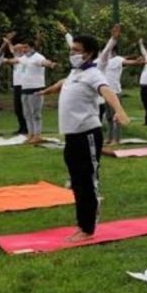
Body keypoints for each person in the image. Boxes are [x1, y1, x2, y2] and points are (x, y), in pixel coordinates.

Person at [37, 33, 131, 241]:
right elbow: (64, 82)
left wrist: (119, 110)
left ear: (88, 54)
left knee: (87, 181)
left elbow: (106, 90)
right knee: (77, 181)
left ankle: (87, 228)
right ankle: (83, 221)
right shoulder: (76, 72)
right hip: (71, 136)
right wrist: (49, 90)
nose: (72, 53)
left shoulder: (93, 74)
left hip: (87, 135)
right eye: (71, 49)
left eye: (76, 50)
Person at [6, 38, 57, 144]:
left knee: (35, 113)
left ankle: (37, 135)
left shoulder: (38, 57)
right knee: (27, 113)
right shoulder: (24, 58)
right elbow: (15, 61)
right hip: (25, 88)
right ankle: (30, 134)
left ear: (32, 47)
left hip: (36, 88)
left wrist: (50, 64)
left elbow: (44, 62)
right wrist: (4, 60)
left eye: (26, 47)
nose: (24, 49)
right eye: (23, 47)